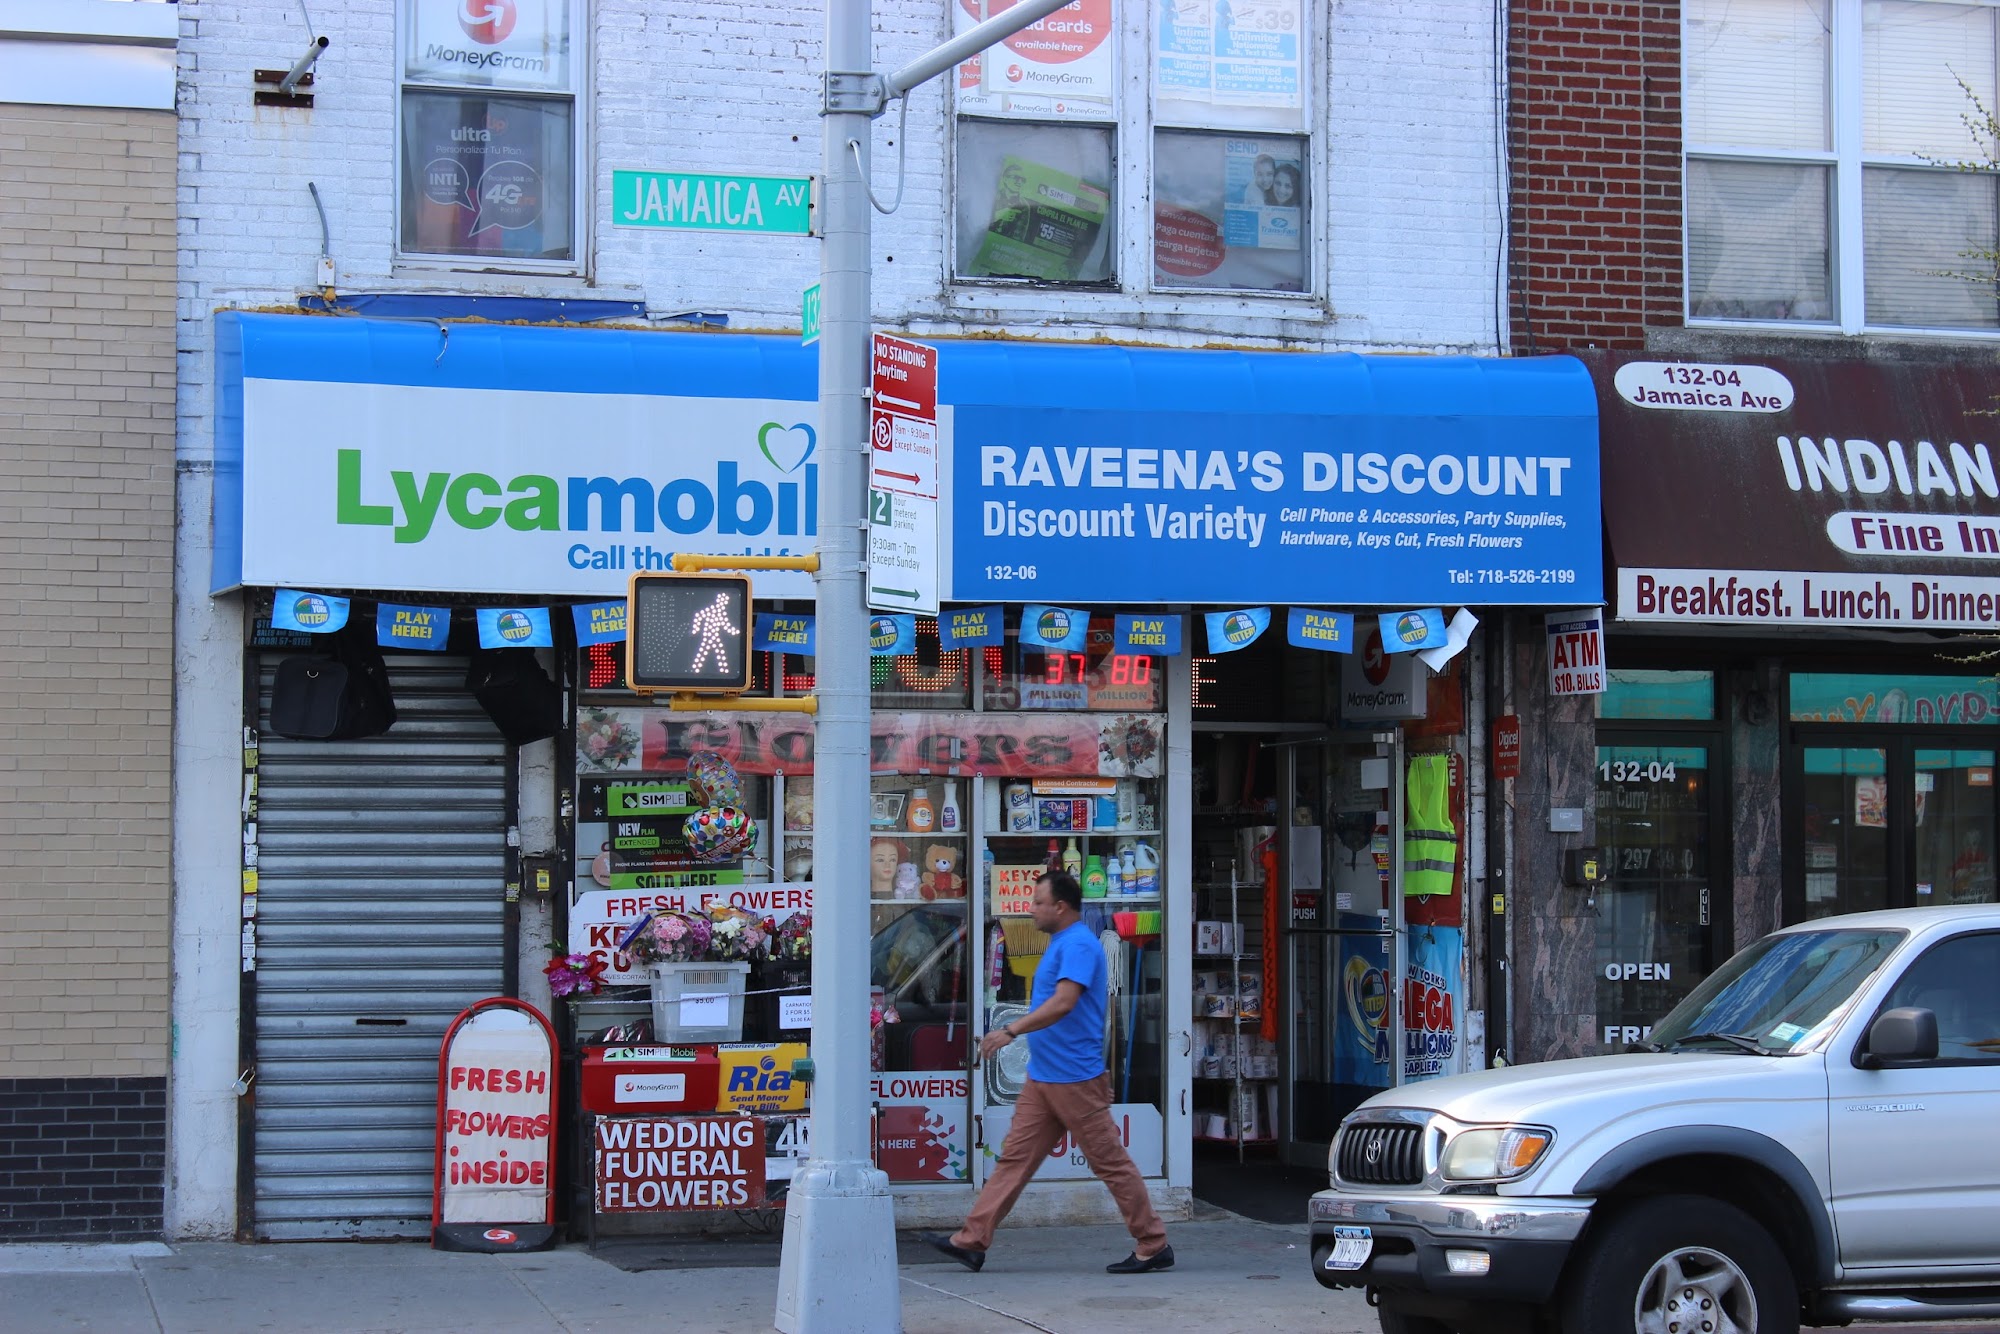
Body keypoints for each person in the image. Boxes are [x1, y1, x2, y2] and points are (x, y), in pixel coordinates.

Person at [924, 871, 1173, 1275]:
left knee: (1111, 1163)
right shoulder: (1062, 942)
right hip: (1045, 1078)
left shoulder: (1078, 943)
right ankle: (972, 1240)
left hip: (1076, 1079)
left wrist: (1009, 1030)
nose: (1031, 908)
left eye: (1039, 902)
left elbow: (1063, 1003)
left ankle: (1153, 1241)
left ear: (1060, 907)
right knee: (1014, 1161)